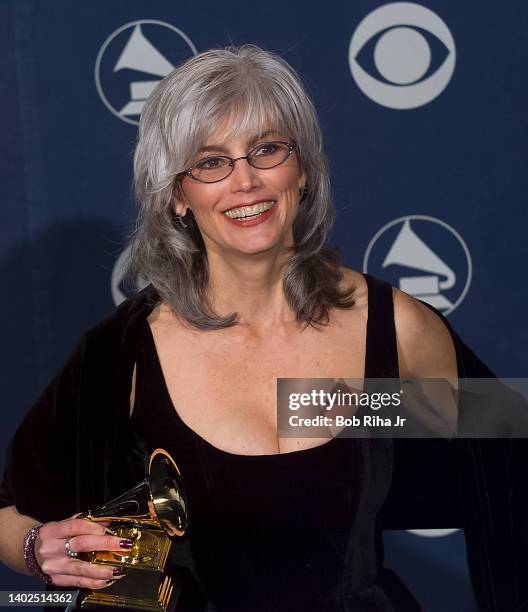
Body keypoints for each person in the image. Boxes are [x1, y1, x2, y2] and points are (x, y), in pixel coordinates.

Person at [0, 45, 526, 611]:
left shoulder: (390, 326)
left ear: (302, 170)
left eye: (266, 150)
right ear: (179, 195)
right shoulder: (124, 353)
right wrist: (35, 549)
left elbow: (502, 447)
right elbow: (9, 508)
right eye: (210, 162)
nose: (244, 181)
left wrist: (353, 408)